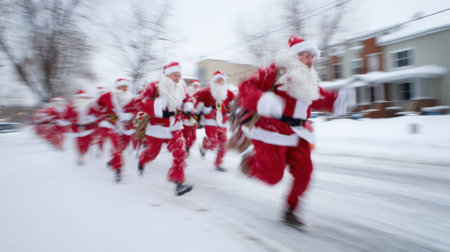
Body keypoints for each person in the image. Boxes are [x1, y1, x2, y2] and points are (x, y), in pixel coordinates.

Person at [237, 35, 352, 227]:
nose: (309, 60)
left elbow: (319, 97)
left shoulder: (309, 79)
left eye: (311, 56)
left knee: (305, 172)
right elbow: (245, 88)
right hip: (272, 132)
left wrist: (339, 101)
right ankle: (250, 162)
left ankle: (290, 210)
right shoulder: (275, 71)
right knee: (273, 177)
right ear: (293, 56)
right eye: (305, 55)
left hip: (298, 133)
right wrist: (262, 100)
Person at [136, 62, 194, 196]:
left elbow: (187, 98)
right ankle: (142, 160)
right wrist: (157, 106)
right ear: (167, 74)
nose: (178, 77)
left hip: (175, 126)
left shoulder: (182, 87)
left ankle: (178, 182)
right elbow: (139, 101)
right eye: (175, 75)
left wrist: (188, 105)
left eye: (179, 75)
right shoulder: (154, 86)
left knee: (180, 149)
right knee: (152, 153)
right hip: (157, 127)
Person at [91, 78, 137, 182]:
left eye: (126, 86)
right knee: (116, 147)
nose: (124, 88)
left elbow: (140, 113)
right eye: (122, 86)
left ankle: (112, 161)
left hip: (127, 128)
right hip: (112, 126)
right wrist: (100, 116)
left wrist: (136, 123)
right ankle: (118, 170)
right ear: (117, 87)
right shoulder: (107, 96)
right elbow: (95, 105)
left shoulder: (132, 99)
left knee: (122, 147)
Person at [194, 71, 236, 171]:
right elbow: (194, 100)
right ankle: (205, 144)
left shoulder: (228, 92)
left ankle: (218, 163)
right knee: (213, 142)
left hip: (222, 120)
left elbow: (232, 102)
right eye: (218, 79)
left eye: (222, 79)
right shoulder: (206, 91)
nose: (220, 81)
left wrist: (231, 108)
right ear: (214, 81)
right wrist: (203, 107)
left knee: (223, 143)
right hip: (210, 120)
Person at [63, 90, 97, 165]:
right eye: (80, 97)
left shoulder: (89, 105)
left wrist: (91, 119)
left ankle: (84, 152)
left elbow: (94, 115)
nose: (82, 99)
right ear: (77, 98)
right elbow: (66, 117)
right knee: (79, 142)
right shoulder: (71, 106)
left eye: (84, 97)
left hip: (88, 127)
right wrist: (72, 120)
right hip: (77, 128)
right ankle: (80, 156)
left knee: (88, 142)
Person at [182, 80, 202, 156]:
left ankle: (187, 148)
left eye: (198, 86)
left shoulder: (200, 96)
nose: (196, 88)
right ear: (192, 86)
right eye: (195, 86)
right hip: (186, 117)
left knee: (194, 137)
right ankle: (184, 150)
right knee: (187, 136)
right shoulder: (188, 93)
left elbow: (200, 108)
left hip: (194, 118)